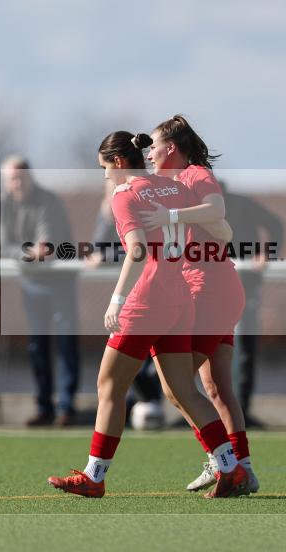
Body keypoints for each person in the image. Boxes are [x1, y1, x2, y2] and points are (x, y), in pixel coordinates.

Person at [47, 131, 249, 499]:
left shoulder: (125, 195)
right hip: (180, 300)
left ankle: (95, 475)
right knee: (185, 390)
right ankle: (231, 467)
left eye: (106, 168)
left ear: (121, 163)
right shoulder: (173, 187)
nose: (106, 177)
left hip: (146, 302)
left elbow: (138, 251)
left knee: (109, 386)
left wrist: (117, 299)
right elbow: (223, 229)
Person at [140, 114, 257, 493]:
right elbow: (222, 230)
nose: (150, 152)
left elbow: (217, 213)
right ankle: (243, 467)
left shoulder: (195, 175)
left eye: (154, 145)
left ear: (171, 147)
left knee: (177, 386)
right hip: (212, 289)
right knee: (217, 387)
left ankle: (221, 460)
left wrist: (170, 215)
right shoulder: (172, 184)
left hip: (210, 289)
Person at [0, 156, 80, 427]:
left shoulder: (48, 200)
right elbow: (4, 245)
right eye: (11, 179)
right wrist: (29, 253)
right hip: (31, 282)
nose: (16, 183)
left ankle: (67, 407)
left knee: (67, 343)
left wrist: (35, 250)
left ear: (30, 177)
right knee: (37, 346)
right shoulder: (0, 204)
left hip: (60, 280)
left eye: (20, 177)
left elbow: (49, 240)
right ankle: (44, 407)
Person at [86, 178, 163, 421]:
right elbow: (95, 251)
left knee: (160, 369)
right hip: (126, 302)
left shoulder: (139, 207)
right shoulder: (112, 214)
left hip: (148, 297)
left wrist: (107, 257)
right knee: (114, 375)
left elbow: (139, 250)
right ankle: (141, 402)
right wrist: (105, 216)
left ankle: (151, 401)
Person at [221, 182, 284, 424]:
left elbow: (275, 224)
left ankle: (240, 412)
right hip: (208, 286)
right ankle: (209, 412)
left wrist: (267, 254)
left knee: (242, 346)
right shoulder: (192, 207)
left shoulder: (240, 203)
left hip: (243, 283)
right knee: (206, 348)